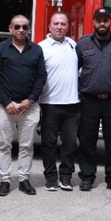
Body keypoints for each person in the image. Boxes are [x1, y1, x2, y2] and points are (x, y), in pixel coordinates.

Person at [0, 14, 46, 196]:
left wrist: (30, 100)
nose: (21, 30)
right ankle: (5, 180)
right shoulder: (1, 49)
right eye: (17, 26)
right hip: (5, 107)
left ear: (29, 29)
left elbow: (41, 77)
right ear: (10, 28)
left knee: (27, 145)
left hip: (29, 106)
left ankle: (24, 180)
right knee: (3, 145)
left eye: (24, 27)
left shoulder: (36, 50)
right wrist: (6, 102)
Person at [76, 8, 111, 193]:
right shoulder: (82, 44)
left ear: (110, 21)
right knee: (86, 140)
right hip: (89, 100)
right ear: (94, 22)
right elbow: (73, 70)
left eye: (105, 20)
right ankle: (87, 176)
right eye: (99, 20)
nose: (102, 23)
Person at [38, 13, 80, 192]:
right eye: (56, 23)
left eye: (63, 24)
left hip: (73, 104)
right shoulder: (41, 47)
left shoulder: (73, 45)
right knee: (49, 143)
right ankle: (50, 177)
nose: (59, 27)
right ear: (49, 26)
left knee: (70, 144)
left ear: (68, 26)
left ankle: (66, 176)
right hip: (49, 104)